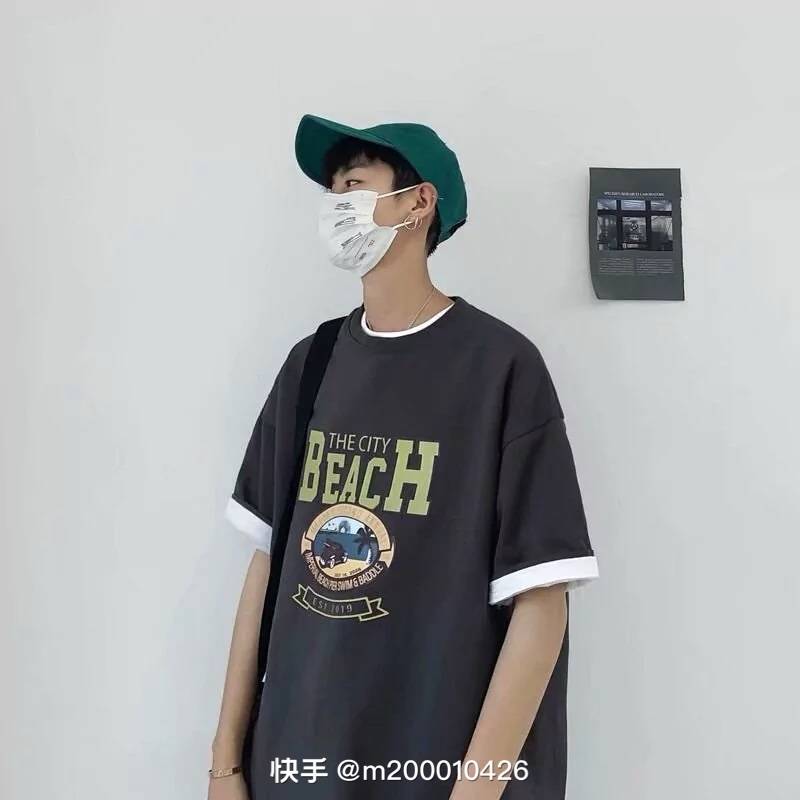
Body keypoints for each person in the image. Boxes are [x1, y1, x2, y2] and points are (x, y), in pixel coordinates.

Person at [208, 114, 599, 800]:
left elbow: (541, 602)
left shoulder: (498, 368)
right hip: (299, 761)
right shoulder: (312, 364)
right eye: (332, 190)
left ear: (418, 202)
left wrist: (475, 791)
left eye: (354, 185)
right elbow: (268, 563)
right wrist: (225, 762)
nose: (336, 205)